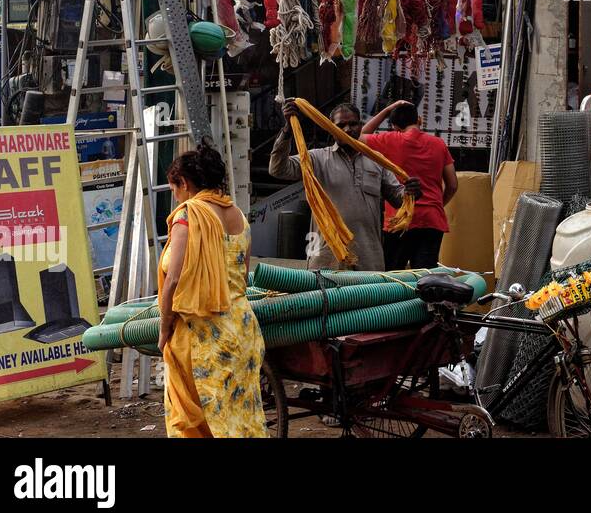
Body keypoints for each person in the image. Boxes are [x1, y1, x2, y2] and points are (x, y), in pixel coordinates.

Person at [157, 144, 267, 439]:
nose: (176, 196)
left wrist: (164, 329)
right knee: (242, 419)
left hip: (205, 336)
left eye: (175, 189)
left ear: (186, 183)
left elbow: (174, 279)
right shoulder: (239, 216)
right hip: (243, 330)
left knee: (204, 422)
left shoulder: (188, 217)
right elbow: (243, 275)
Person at [269, 100, 401, 271]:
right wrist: (287, 129)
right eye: (341, 125)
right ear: (330, 128)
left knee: (368, 297)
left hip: (369, 256)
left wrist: (410, 193)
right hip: (327, 255)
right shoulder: (317, 159)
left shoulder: (377, 160)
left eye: (353, 124)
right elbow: (278, 169)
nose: (348, 129)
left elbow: (398, 198)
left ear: (361, 126)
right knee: (325, 297)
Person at [362, 100, 457, 270]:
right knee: (425, 277)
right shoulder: (439, 144)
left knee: (393, 275)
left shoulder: (389, 140)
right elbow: (452, 185)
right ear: (419, 120)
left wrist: (387, 109)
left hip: (399, 219)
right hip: (431, 219)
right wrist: (438, 205)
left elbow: (358, 136)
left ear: (394, 126)